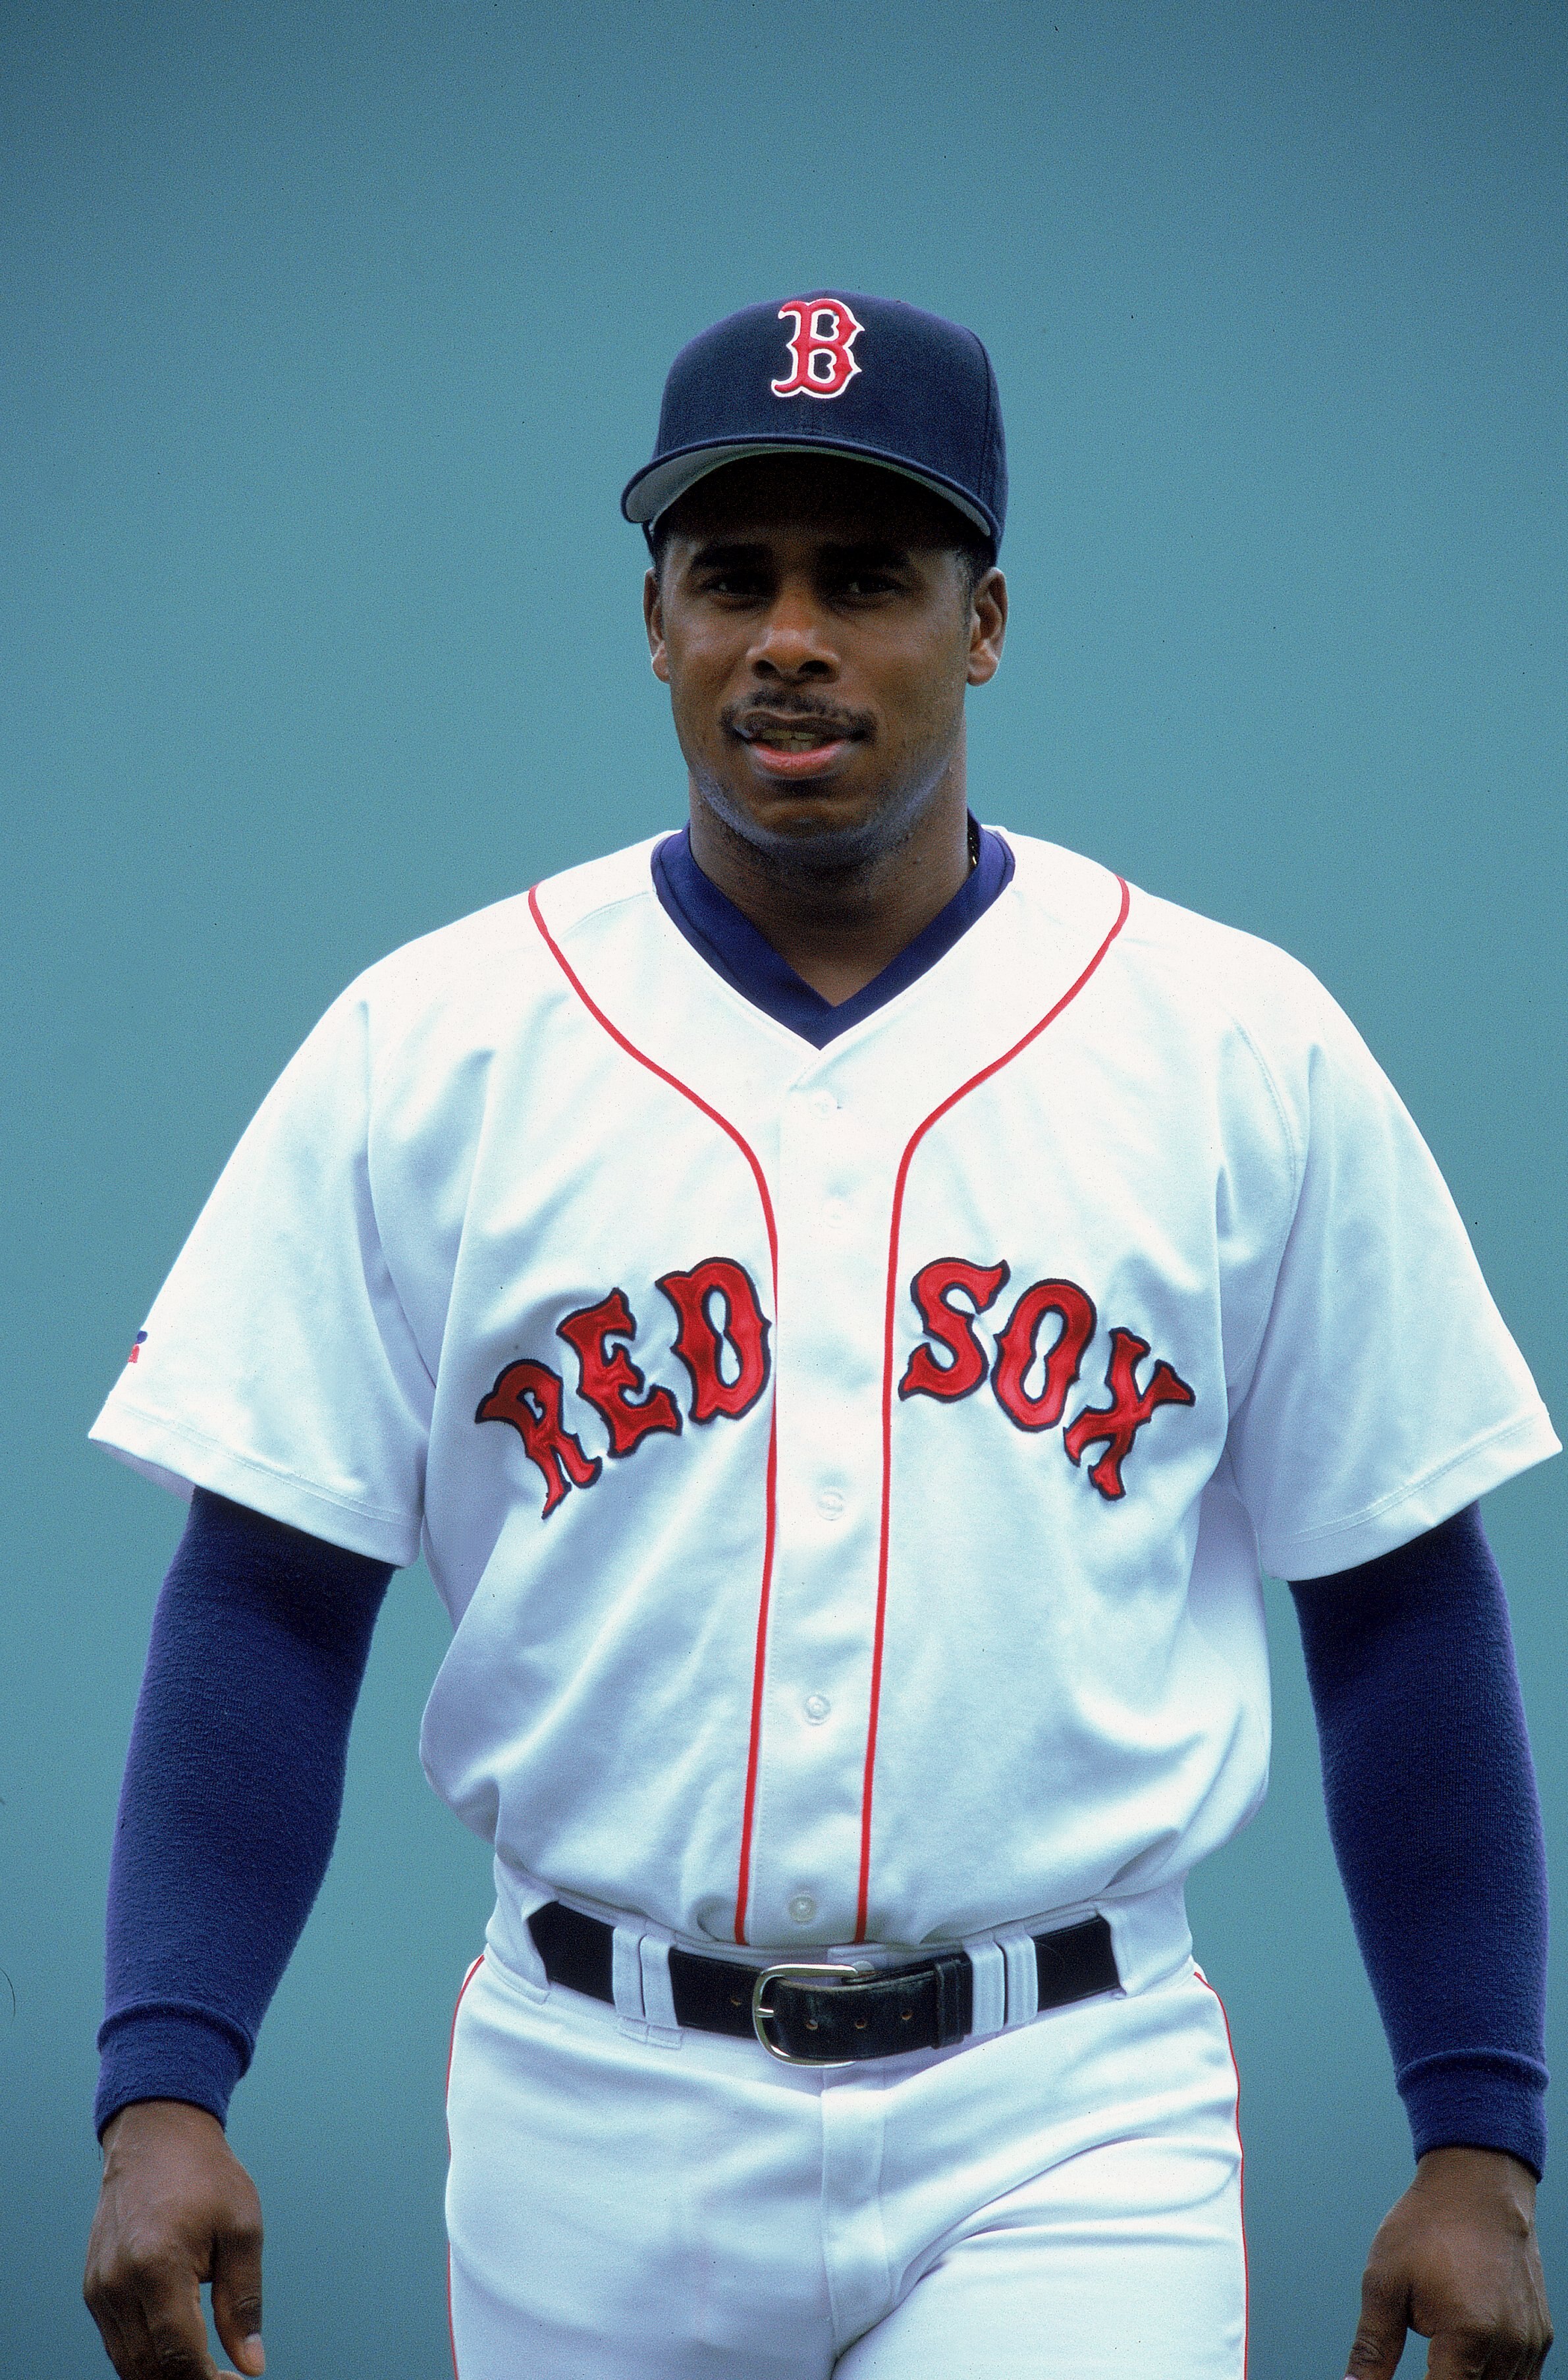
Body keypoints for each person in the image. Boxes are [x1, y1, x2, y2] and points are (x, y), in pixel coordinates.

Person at [84, 294, 1555, 2380]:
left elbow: (1402, 1606)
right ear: (656, 623)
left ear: (985, 623)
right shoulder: (435, 1048)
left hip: (1071, 2111)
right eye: (732, 577)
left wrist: (1478, 2136)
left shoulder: (1235, 1047)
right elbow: (267, 1592)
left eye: (867, 578)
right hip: (588, 2107)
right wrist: (166, 2084)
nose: (792, 636)